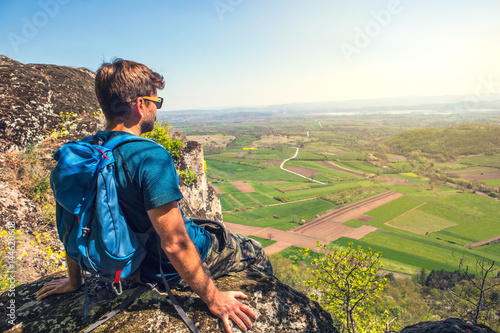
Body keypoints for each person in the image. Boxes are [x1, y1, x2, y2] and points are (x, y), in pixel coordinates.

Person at [35, 59, 273, 333]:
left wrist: (73, 282)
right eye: (155, 103)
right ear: (139, 104)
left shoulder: (79, 154)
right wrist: (215, 299)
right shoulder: (150, 156)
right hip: (162, 269)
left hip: (125, 265)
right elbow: (175, 244)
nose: (156, 111)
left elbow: (70, 221)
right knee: (254, 252)